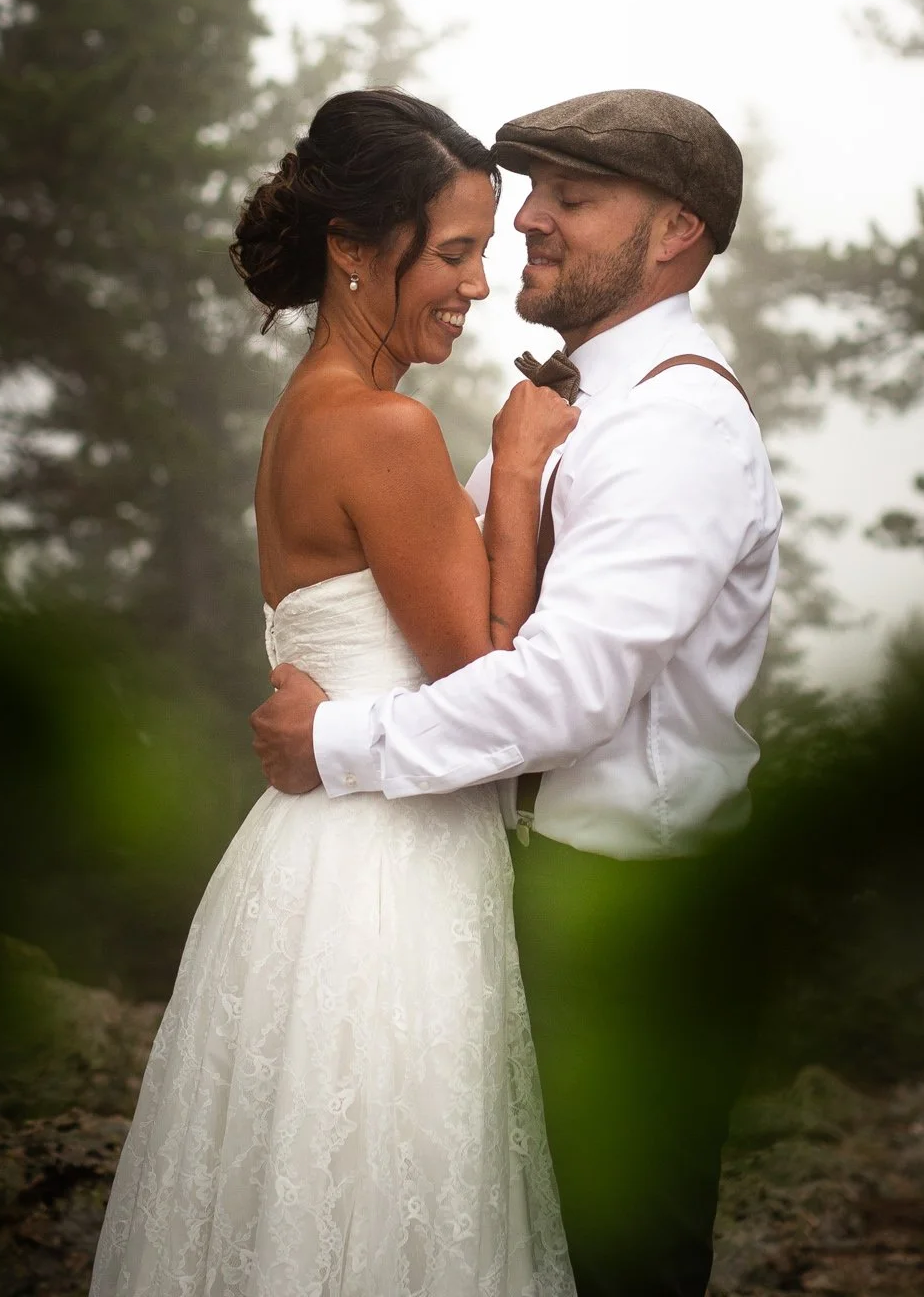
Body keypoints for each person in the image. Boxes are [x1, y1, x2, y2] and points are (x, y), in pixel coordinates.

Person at [253, 88, 783, 1297]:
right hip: (514, 890)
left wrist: (336, 739)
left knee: (617, 1262)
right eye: (531, 192)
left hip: (633, 915)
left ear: (675, 234)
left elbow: (562, 691)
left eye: (571, 198)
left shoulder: (678, 425)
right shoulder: (553, 415)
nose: (530, 220)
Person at [90, 89, 578, 1297]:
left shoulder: (299, 415)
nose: (478, 282)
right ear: (355, 249)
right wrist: (517, 472)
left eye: (485, 247)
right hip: (385, 879)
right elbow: (490, 683)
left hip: (308, 862)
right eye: (455, 250)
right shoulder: (385, 431)